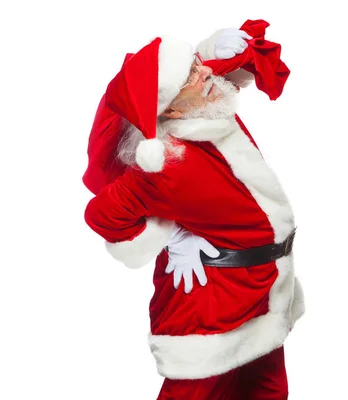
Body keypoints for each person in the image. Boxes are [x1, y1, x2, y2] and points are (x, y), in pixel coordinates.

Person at [83, 20, 304, 400]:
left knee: (266, 390)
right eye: (191, 74)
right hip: (212, 307)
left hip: (264, 290)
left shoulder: (206, 102)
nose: (204, 71)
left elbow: (211, 67)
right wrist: (171, 236)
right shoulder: (162, 165)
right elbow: (102, 216)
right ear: (169, 109)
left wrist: (214, 47)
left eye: (195, 66)